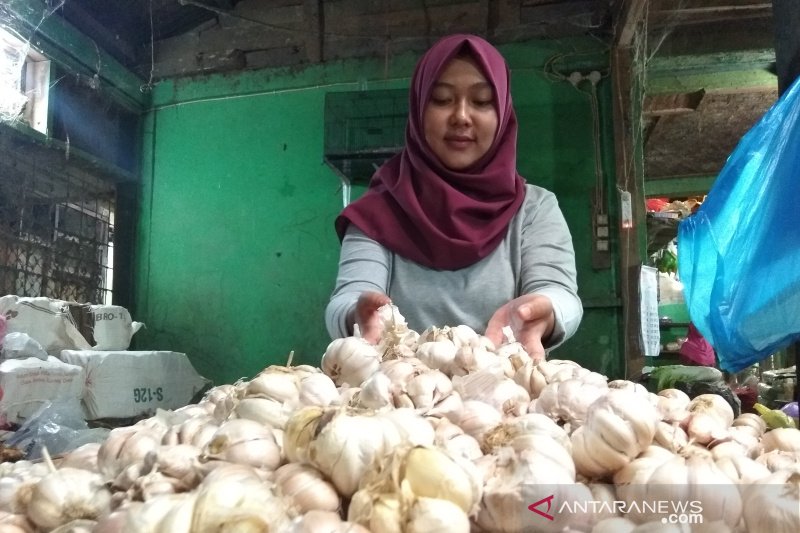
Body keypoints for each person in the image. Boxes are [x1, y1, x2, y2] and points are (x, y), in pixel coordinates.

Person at [324, 34, 582, 361]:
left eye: (482, 101)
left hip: (505, 400)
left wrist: (544, 312)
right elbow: (347, 299)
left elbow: (560, 294)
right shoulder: (377, 213)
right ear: (418, 110)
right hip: (397, 401)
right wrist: (357, 316)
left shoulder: (534, 209)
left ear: (502, 114)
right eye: (442, 99)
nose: (461, 116)